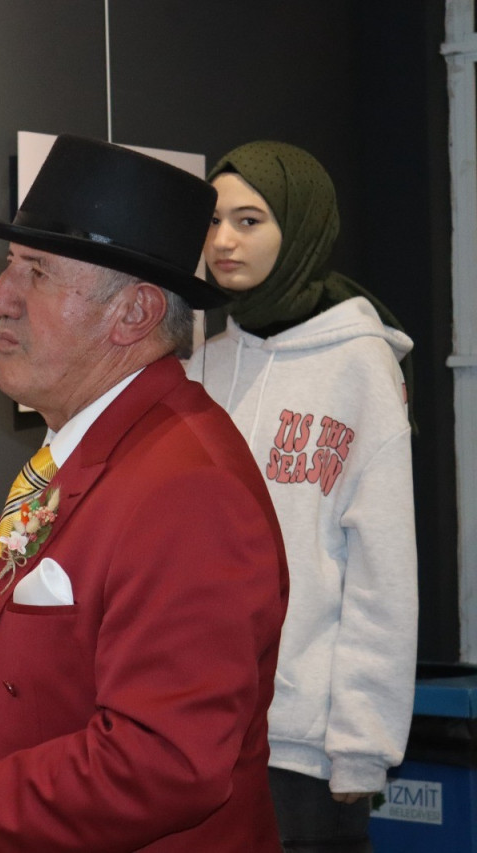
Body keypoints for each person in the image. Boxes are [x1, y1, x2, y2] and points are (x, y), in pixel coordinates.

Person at [0, 135, 289, 851]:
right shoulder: (94, 450)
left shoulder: (189, 486)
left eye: (37, 273)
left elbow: (162, 762)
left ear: (135, 313)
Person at [192, 140, 418, 853]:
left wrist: (362, 745)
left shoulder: (361, 366)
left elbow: (382, 569)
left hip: (304, 747)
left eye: (250, 219)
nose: (224, 240)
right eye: (215, 218)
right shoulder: (205, 365)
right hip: (195, 728)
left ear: (300, 225)